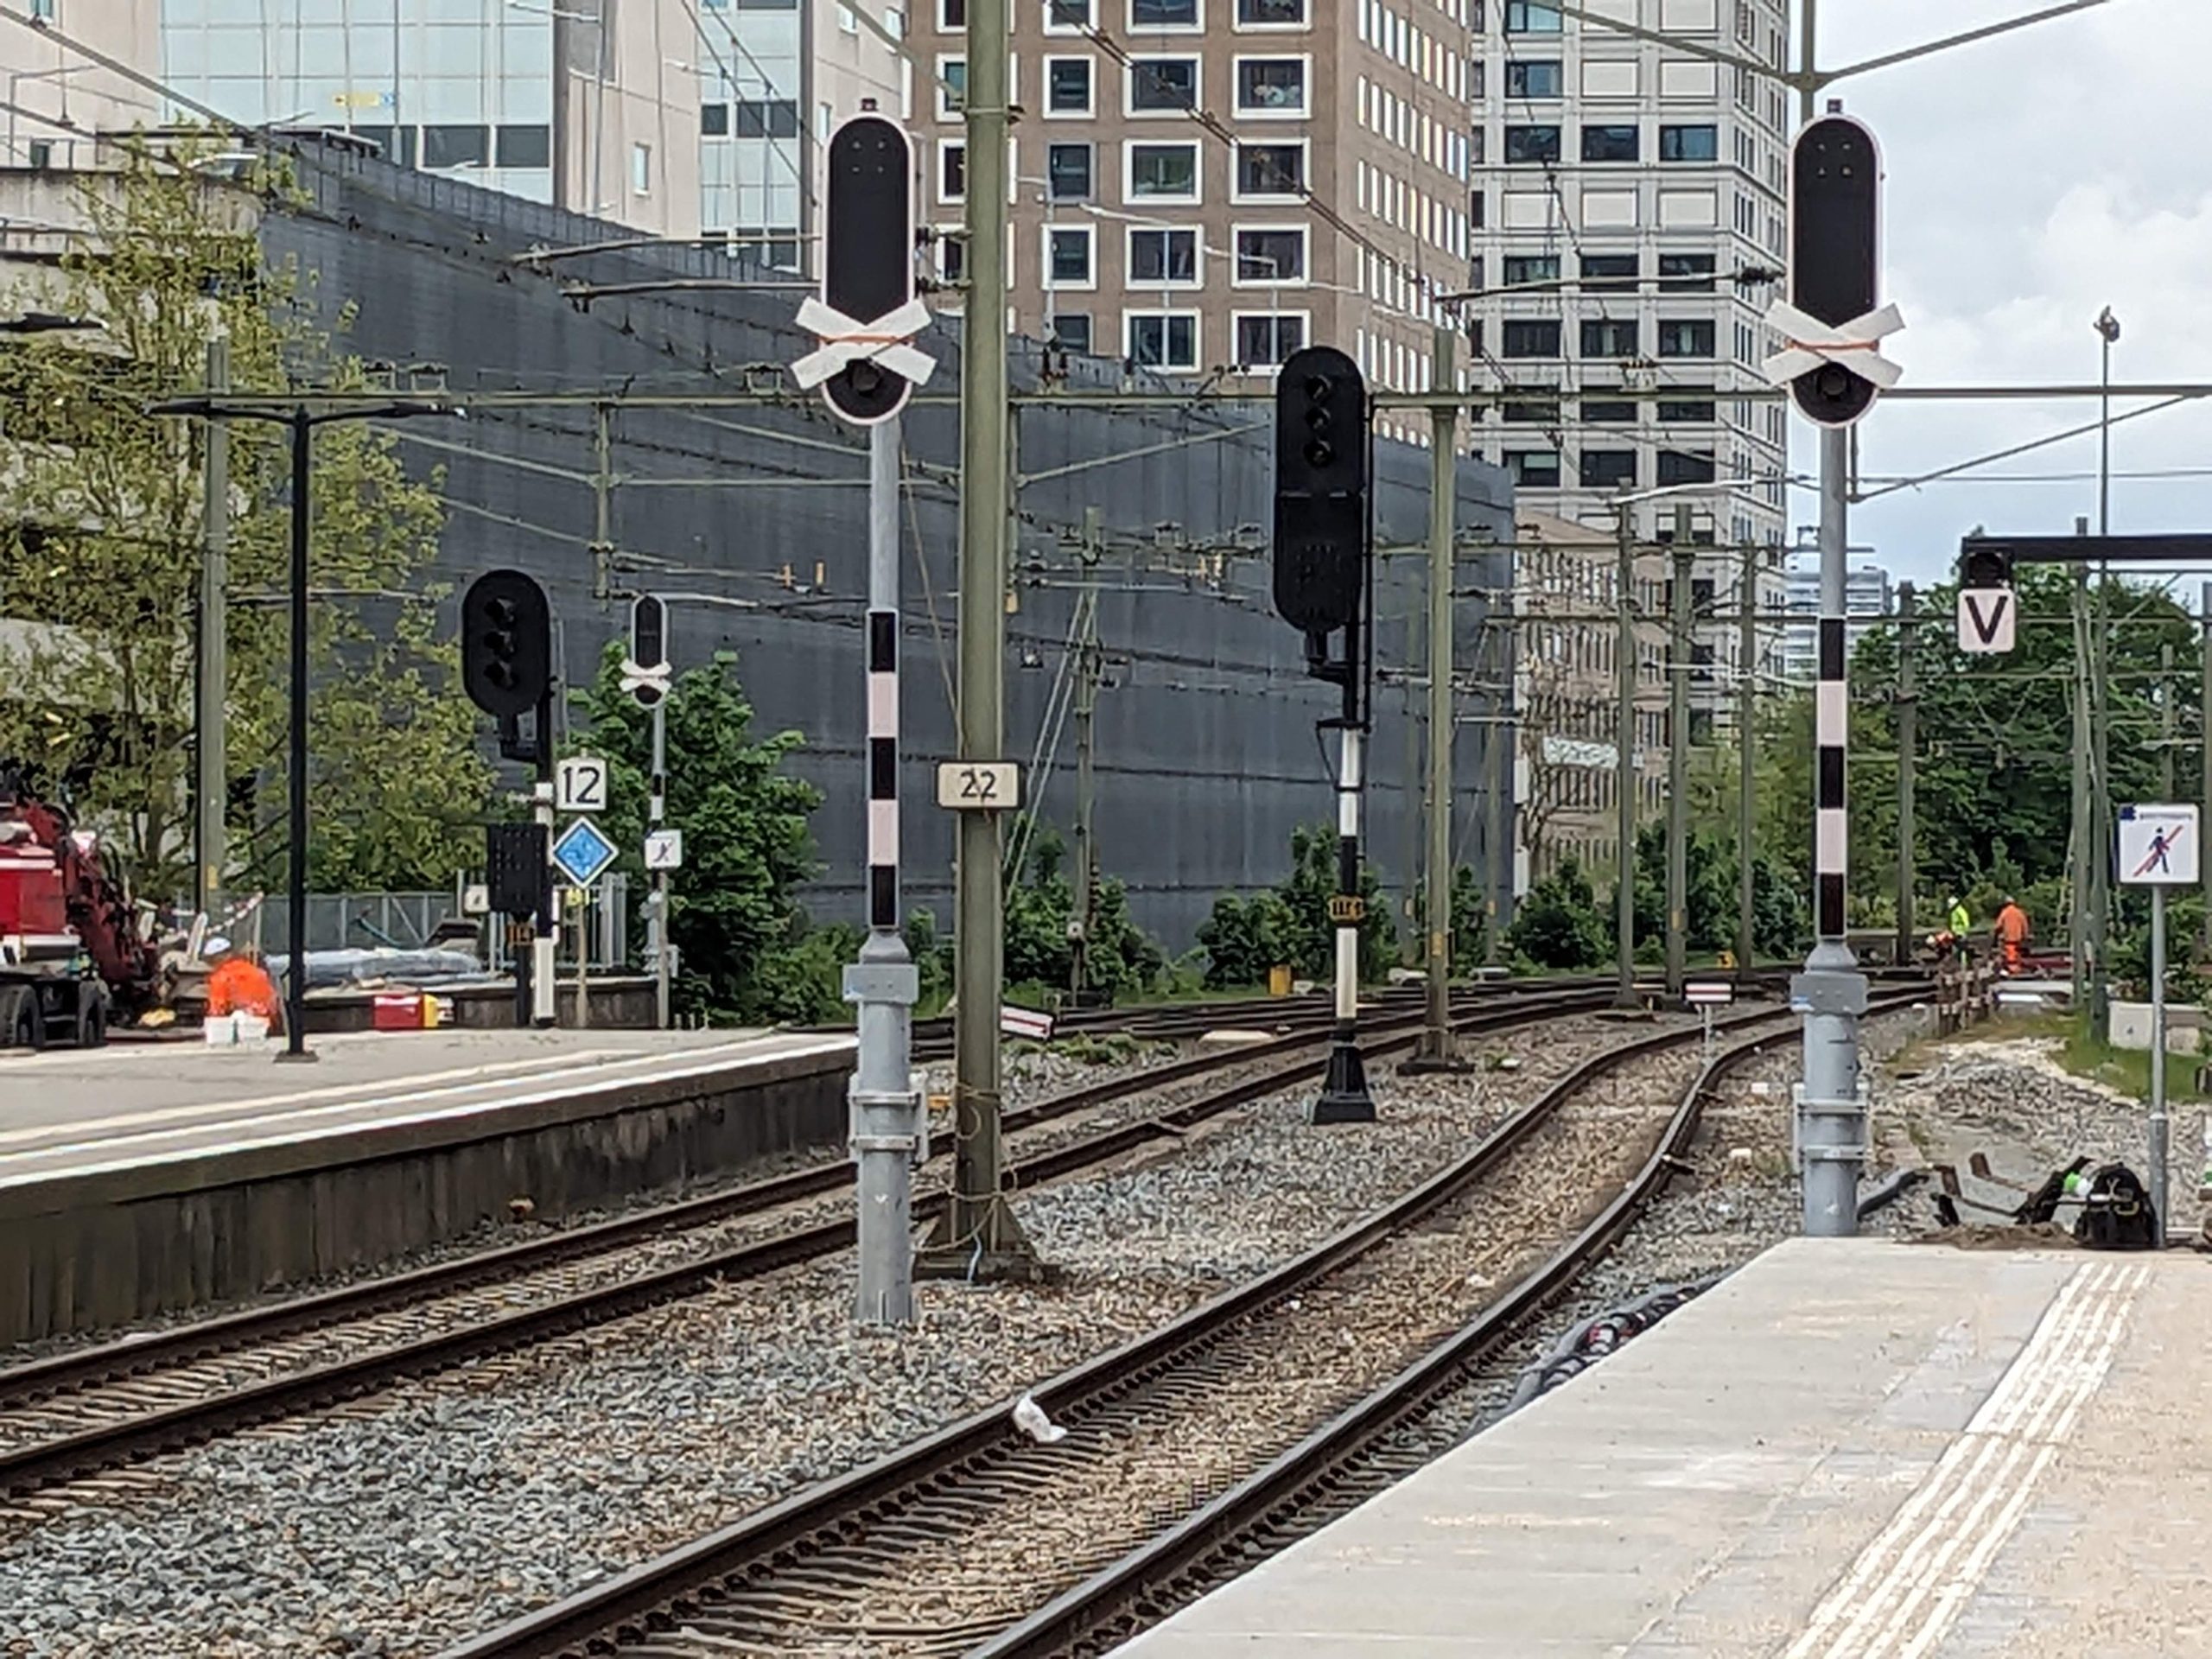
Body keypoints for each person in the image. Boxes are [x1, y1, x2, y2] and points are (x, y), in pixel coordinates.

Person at [206, 938, 283, 1031]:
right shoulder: (257, 972)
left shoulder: (221, 977)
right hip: (267, 1024)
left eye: (210, 961)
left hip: (243, 1027)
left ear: (218, 958)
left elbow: (217, 1010)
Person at [1993, 896, 2031, 976]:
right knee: (2017, 955)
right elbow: (2025, 925)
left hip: (2008, 938)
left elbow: (1998, 926)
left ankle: (2012, 972)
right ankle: (2018, 969)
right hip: (2018, 938)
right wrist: (2025, 936)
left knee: (2010, 956)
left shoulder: (2005, 912)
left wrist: (1996, 935)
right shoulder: (2019, 912)